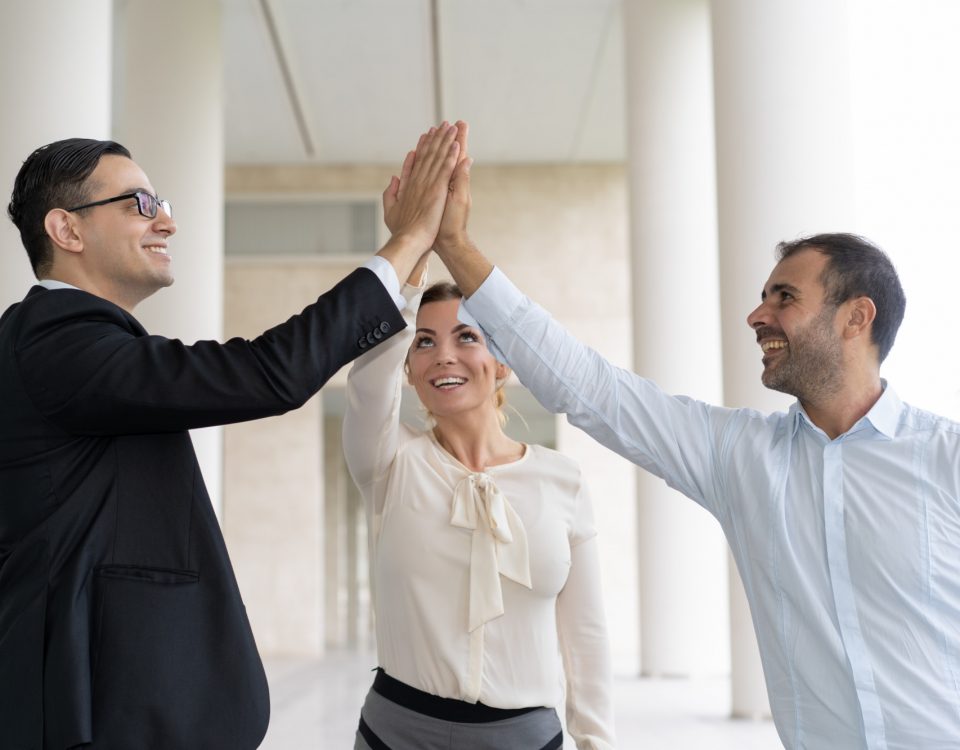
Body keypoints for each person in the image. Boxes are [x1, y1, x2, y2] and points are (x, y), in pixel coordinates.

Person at [427, 123, 960, 750]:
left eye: (784, 297)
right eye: (762, 297)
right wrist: (454, 246)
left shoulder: (944, 458)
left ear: (856, 317)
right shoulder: (740, 456)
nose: (756, 314)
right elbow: (591, 388)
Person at [0, 124, 461, 749]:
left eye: (163, 204)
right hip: (93, 715)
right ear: (67, 229)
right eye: (140, 204)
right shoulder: (56, 340)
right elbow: (268, 373)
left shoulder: (67, 344)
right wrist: (405, 243)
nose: (165, 221)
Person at [341, 185, 616, 746]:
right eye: (424, 343)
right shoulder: (391, 463)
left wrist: (596, 743)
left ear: (502, 363)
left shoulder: (561, 480)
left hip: (525, 737)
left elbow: (585, 638)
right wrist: (410, 244)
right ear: (410, 371)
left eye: (467, 336)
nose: (444, 354)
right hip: (397, 733)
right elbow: (368, 381)